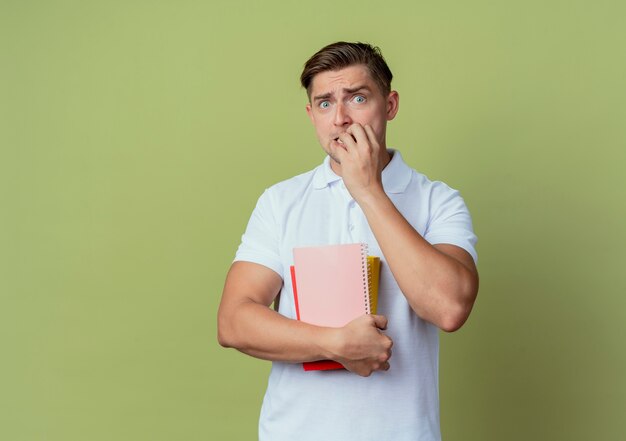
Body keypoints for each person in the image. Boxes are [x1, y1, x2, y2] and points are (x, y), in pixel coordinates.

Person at [217, 41, 479, 441]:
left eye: (357, 98)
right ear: (311, 115)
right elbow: (234, 321)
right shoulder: (281, 201)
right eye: (324, 103)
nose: (340, 118)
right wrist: (335, 343)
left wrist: (369, 190)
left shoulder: (436, 200)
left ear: (389, 105)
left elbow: (449, 308)